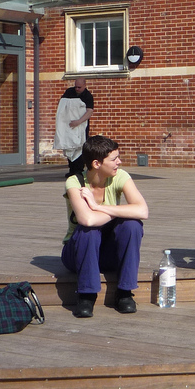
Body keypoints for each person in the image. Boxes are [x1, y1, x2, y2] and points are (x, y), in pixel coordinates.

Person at [62, 135, 148, 318]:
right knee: (88, 232)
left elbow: (142, 211)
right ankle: (86, 295)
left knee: (132, 225)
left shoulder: (120, 176)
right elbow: (88, 220)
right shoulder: (75, 182)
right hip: (77, 253)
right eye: (114, 159)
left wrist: (97, 207)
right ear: (96, 163)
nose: (119, 162)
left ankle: (125, 293)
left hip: (108, 253)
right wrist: (116, 211)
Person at [60, 78, 94, 177]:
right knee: (70, 145)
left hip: (81, 126)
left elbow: (89, 111)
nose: (77, 89)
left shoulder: (88, 96)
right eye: (76, 87)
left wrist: (79, 121)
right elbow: (62, 105)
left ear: (84, 85)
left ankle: (79, 169)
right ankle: (72, 169)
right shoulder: (69, 92)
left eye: (79, 87)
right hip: (69, 125)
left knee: (80, 146)